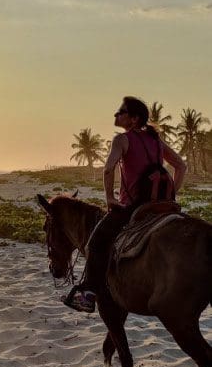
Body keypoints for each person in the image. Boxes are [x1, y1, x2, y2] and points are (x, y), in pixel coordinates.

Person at [63, 96, 187, 313]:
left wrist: (109, 198)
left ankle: (88, 294)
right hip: (162, 205)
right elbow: (181, 166)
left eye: (121, 112)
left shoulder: (122, 140)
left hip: (134, 206)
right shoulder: (156, 140)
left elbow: (108, 169)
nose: (116, 115)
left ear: (133, 118)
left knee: (96, 241)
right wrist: (171, 194)